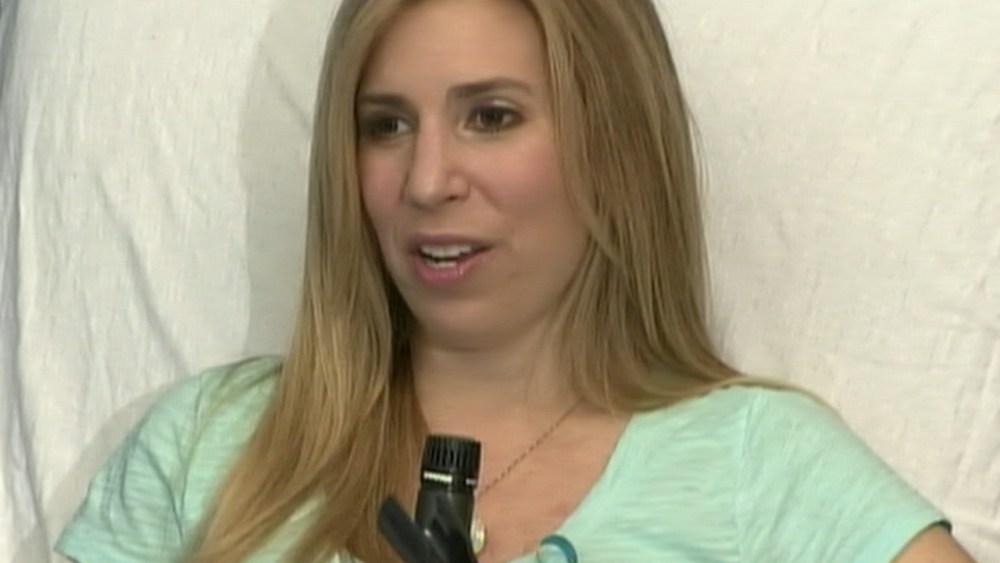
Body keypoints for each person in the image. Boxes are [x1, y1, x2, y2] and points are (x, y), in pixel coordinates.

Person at [56, 0, 975, 562]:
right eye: (386, 125)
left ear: (612, 145)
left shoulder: (759, 464)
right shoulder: (210, 446)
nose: (427, 181)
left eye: (491, 117)